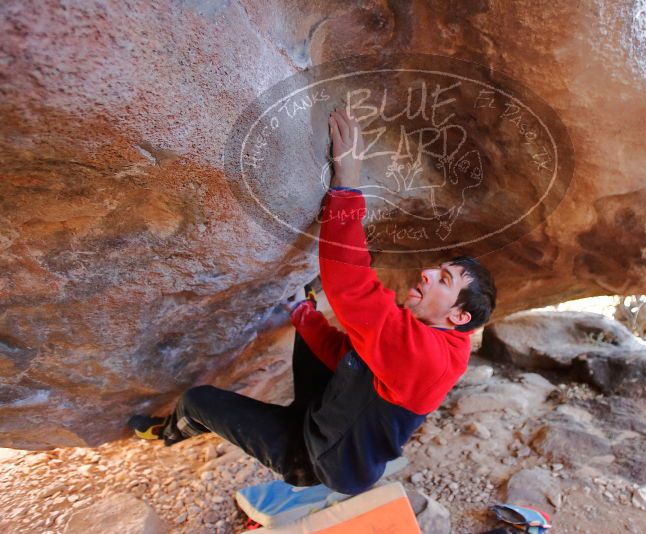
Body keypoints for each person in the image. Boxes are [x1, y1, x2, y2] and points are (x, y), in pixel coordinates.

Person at [128, 108, 497, 495]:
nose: (426, 273)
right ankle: (304, 322)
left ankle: (169, 432)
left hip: (315, 457)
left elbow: (350, 284)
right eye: (436, 269)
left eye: (443, 279)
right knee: (321, 327)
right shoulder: (425, 339)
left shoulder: (427, 358)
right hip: (326, 410)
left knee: (196, 400)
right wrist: (306, 319)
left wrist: (348, 183)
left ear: (458, 315)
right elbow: (351, 355)